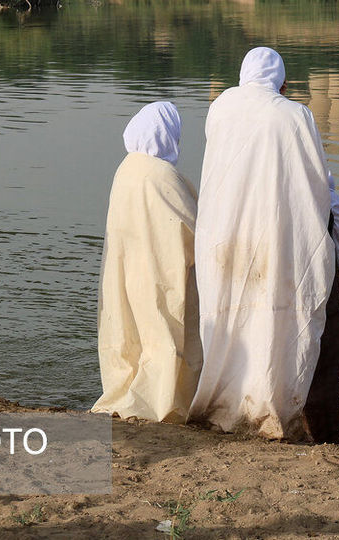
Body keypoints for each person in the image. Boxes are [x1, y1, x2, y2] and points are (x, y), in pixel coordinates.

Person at [189, 47, 339, 443]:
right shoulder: (295, 115)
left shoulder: (221, 108)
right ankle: (271, 408)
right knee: (276, 322)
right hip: (277, 236)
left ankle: (226, 404)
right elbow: (313, 184)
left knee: (234, 318)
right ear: (283, 84)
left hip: (226, 235)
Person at [91, 101, 202, 423]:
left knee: (132, 332)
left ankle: (128, 394)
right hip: (162, 273)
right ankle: (162, 403)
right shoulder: (163, 176)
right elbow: (193, 227)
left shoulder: (127, 168)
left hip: (127, 271)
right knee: (166, 334)